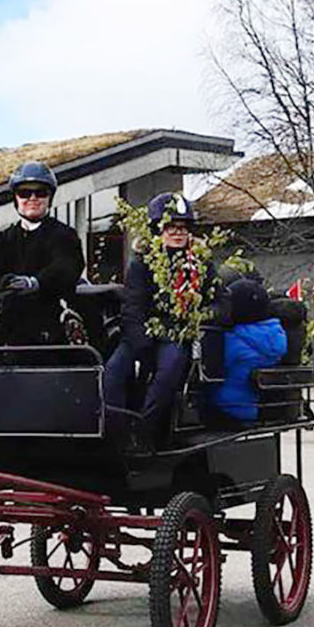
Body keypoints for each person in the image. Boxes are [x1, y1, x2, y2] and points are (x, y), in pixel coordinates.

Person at [104, 192, 214, 454]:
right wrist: (142, 345)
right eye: (170, 227)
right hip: (142, 333)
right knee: (112, 372)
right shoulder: (143, 264)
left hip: (177, 334)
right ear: (158, 230)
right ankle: (114, 431)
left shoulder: (201, 264)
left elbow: (221, 301)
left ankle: (145, 431)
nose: (177, 233)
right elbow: (133, 306)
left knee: (168, 371)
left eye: (182, 227)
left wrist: (201, 316)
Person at [0, 161, 85, 346]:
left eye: (40, 192)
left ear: (50, 197)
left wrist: (36, 283)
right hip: (8, 327)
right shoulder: (3, 239)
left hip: (51, 328)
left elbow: (66, 267)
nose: (33, 198)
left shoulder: (64, 236)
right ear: (15, 198)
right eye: (24, 193)